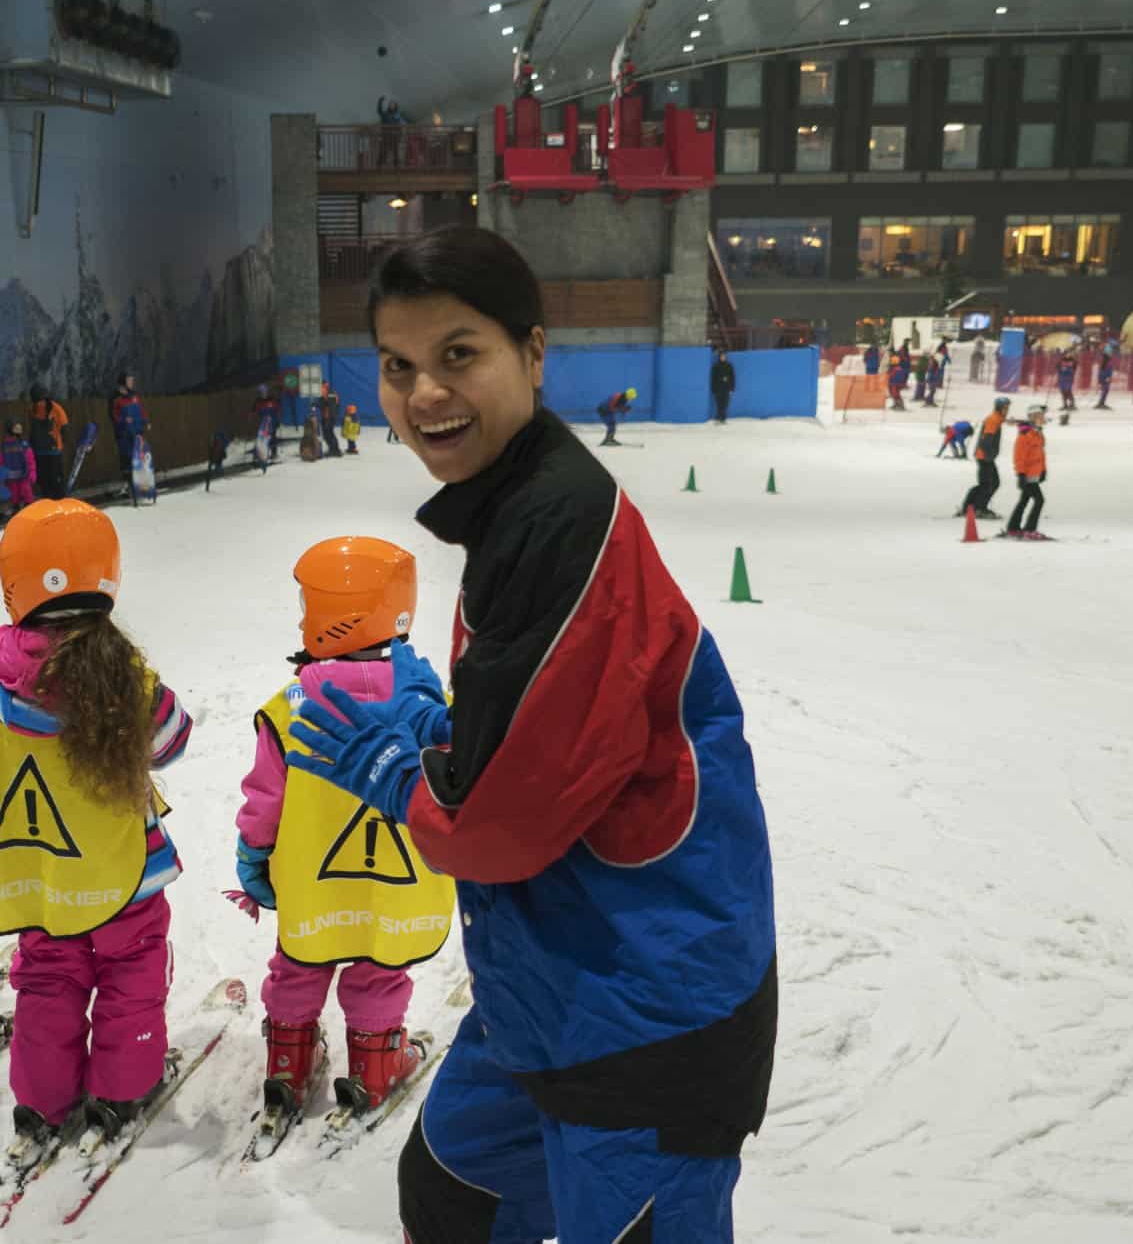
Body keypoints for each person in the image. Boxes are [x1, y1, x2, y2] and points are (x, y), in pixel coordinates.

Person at [287, 227, 776, 1243]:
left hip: (648, 1007)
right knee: (455, 1188)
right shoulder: (511, 513)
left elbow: (500, 828)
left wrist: (402, 776)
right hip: (548, 986)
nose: (425, 394)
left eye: (458, 354)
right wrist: (449, 738)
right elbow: (551, 738)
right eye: (399, 366)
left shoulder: (561, 526)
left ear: (533, 353)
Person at [0, 500, 193, 1162]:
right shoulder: (123, 681)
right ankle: (121, 1090)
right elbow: (173, 739)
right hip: (124, 878)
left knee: (48, 983)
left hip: (39, 876)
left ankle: (42, 1102)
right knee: (129, 977)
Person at [229, 538, 456, 1125]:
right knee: (379, 968)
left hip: (314, 883)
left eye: (309, 603)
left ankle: (287, 1061)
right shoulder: (430, 703)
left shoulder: (290, 707)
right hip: (392, 886)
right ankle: (377, 1066)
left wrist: (254, 855)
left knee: (299, 961)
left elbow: (265, 800)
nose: (303, 616)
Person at [961, 396, 1010, 520]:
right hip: (985, 456)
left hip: (985, 456)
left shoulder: (996, 418)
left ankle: (969, 507)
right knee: (990, 484)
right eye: (1005, 408)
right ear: (999, 408)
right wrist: (989, 455)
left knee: (986, 484)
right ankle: (979, 508)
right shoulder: (993, 420)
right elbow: (986, 440)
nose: (1007, 410)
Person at [1006, 405, 1049, 540]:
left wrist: (1043, 470)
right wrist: (1021, 474)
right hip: (1027, 475)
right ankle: (1030, 529)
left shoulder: (1038, 434)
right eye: (1040, 416)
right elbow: (1019, 457)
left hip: (1035, 474)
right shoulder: (1025, 436)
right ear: (1033, 418)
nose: (1043, 419)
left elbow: (1040, 455)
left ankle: (1013, 527)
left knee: (1024, 499)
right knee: (1039, 500)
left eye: (1042, 416)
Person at [28, 389, 69, 500]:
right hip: (50, 450)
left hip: (44, 450)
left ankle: (52, 501)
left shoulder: (34, 408)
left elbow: (64, 427)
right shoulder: (55, 408)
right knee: (54, 481)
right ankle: (59, 501)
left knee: (46, 481)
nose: (41, 404)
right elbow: (65, 427)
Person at [109, 372, 145, 479]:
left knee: (139, 456)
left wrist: (144, 422)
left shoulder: (133, 395)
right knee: (126, 458)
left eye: (132, 380)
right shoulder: (115, 397)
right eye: (129, 380)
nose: (132, 382)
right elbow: (113, 415)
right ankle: (128, 484)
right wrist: (123, 420)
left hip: (136, 431)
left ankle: (141, 481)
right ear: (123, 382)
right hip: (123, 433)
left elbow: (140, 410)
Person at [0, 421, 37, 512]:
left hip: (24, 474)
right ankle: (16, 509)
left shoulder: (24, 444)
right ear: (10, 429)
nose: (19, 430)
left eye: (20, 428)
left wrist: (32, 472)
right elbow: (2, 459)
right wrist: (1, 472)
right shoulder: (6, 444)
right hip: (11, 475)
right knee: (14, 494)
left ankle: (29, 508)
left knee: (26, 491)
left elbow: (30, 459)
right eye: (16, 428)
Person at [251, 385, 281, 459]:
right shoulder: (258, 402)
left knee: (272, 437)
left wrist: (278, 419)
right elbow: (254, 411)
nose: (263, 394)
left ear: (267, 392)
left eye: (264, 392)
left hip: (272, 422)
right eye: (261, 393)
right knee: (261, 438)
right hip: (263, 423)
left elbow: (278, 409)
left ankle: (274, 453)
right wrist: (253, 414)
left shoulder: (272, 400)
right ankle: (259, 454)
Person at [711, 348, 736, 424]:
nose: (723, 357)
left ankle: (723, 418)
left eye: (724, 356)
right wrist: (713, 388)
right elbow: (713, 378)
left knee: (725, 404)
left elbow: (732, 377)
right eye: (721, 356)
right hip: (718, 388)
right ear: (719, 357)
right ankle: (718, 418)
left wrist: (732, 388)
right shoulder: (716, 366)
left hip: (726, 388)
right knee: (719, 404)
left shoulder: (729, 366)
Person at [319, 384, 343, 458]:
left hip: (330, 417)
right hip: (326, 417)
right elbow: (322, 403)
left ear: (324, 387)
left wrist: (330, 419)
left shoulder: (331, 394)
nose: (321, 390)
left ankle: (335, 450)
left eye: (321, 387)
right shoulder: (325, 394)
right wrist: (315, 404)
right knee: (327, 434)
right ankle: (332, 449)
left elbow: (332, 407)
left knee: (329, 433)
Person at [886, 345, 910, 410]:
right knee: (893, 392)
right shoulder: (893, 356)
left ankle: (900, 405)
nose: (889, 353)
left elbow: (895, 364)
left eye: (889, 351)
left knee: (896, 393)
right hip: (893, 375)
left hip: (896, 375)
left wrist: (891, 367)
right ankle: (896, 404)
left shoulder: (895, 356)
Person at [1095, 345, 1116, 409]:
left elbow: (1105, 369)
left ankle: (1101, 403)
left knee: (1105, 390)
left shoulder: (1106, 359)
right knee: (1105, 390)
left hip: (1105, 377)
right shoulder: (1106, 360)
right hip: (1105, 377)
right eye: (1111, 352)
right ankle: (1101, 403)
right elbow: (1104, 369)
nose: (1112, 353)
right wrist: (1107, 377)